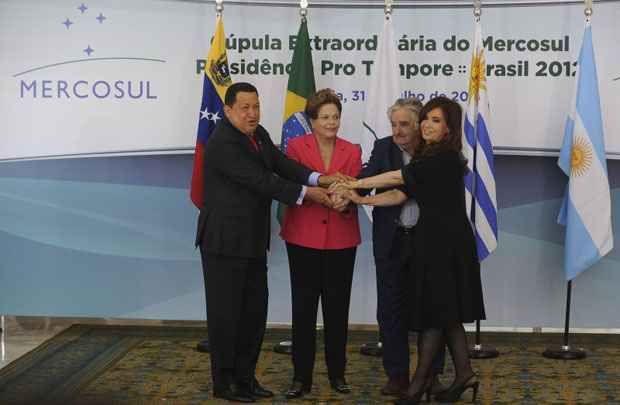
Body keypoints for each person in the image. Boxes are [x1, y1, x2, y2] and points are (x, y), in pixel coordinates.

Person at [195, 82, 345, 403]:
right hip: (224, 244)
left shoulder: (258, 134)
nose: (252, 113)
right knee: (226, 317)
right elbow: (262, 181)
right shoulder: (222, 143)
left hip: (250, 242)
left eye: (256, 106)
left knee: (252, 315)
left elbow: (281, 164)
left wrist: (319, 177)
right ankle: (225, 385)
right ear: (229, 111)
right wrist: (310, 194)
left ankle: (246, 380)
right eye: (245, 108)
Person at [340, 96, 485, 404]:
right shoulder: (432, 155)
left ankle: (420, 384)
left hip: (446, 246)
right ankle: (463, 374)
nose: (427, 125)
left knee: (437, 315)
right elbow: (399, 194)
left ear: (448, 130)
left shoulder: (442, 157)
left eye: (436, 121)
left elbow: (397, 177)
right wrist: (362, 199)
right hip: (435, 244)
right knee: (444, 315)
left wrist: (357, 184)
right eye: (427, 119)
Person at [357, 98, 446, 397]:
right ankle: (396, 375)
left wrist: (357, 193)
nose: (397, 131)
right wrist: (348, 191)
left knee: (430, 309)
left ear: (419, 124)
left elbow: (399, 187)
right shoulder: (383, 147)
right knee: (390, 310)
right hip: (391, 240)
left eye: (404, 124)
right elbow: (366, 178)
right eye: (393, 125)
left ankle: (432, 375)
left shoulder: (432, 151)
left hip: (426, 242)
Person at [279, 89, 362, 399]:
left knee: (337, 309)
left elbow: (356, 189)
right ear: (311, 120)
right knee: (303, 309)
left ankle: (337, 374)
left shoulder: (352, 150)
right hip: (302, 237)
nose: (331, 122)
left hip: (342, 238)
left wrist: (348, 202)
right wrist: (326, 194)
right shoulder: (295, 147)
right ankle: (301, 378)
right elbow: (292, 183)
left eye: (336, 116)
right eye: (325, 117)